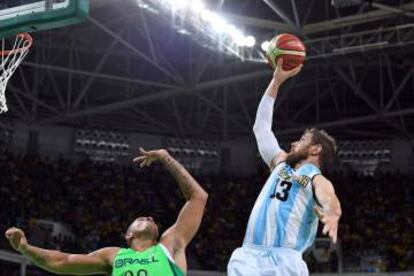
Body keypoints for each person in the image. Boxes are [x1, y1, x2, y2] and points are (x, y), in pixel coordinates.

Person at [5, 148, 208, 276]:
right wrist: (25, 248)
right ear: (128, 234)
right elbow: (62, 261)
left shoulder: (169, 245)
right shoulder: (113, 255)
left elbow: (198, 197)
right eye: (141, 218)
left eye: (151, 219)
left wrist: (166, 158)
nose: (150, 217)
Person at [227, 59, 342, 276]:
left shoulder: (315, 177)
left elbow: (329, 198)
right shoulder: (280, 162)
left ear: (316, 149)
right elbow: (260, 128)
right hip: (249, 256)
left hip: (285, 260)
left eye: (301, 140)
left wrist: (333, 214)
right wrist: (276, 81)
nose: (294, 143)